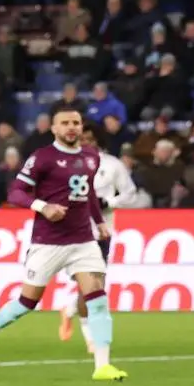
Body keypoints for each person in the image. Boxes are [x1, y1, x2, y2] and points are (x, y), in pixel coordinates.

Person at [0, 105, 128, 381]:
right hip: (48, 241)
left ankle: (102, 365)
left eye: (75, 122)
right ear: (54, 128)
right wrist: (43, 206)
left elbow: (86, 195)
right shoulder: (43, 158)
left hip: (82, 240)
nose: (71, 127)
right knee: (28, 301)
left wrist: (99, 222)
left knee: (97, 298)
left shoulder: (90, 157)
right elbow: (16, 192)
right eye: (65, 123)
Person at [57, 124, 137, 349]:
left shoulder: (112, 165)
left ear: (98, 141)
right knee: (89, 285)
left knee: (95, 287)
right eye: (82, 139)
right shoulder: (65, 165)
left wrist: (110, 202)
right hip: (75, 233)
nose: (85, 143)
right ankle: (90, 339)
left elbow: (130, 193)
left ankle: (70, 309)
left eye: (90, 139)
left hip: (101, 232)